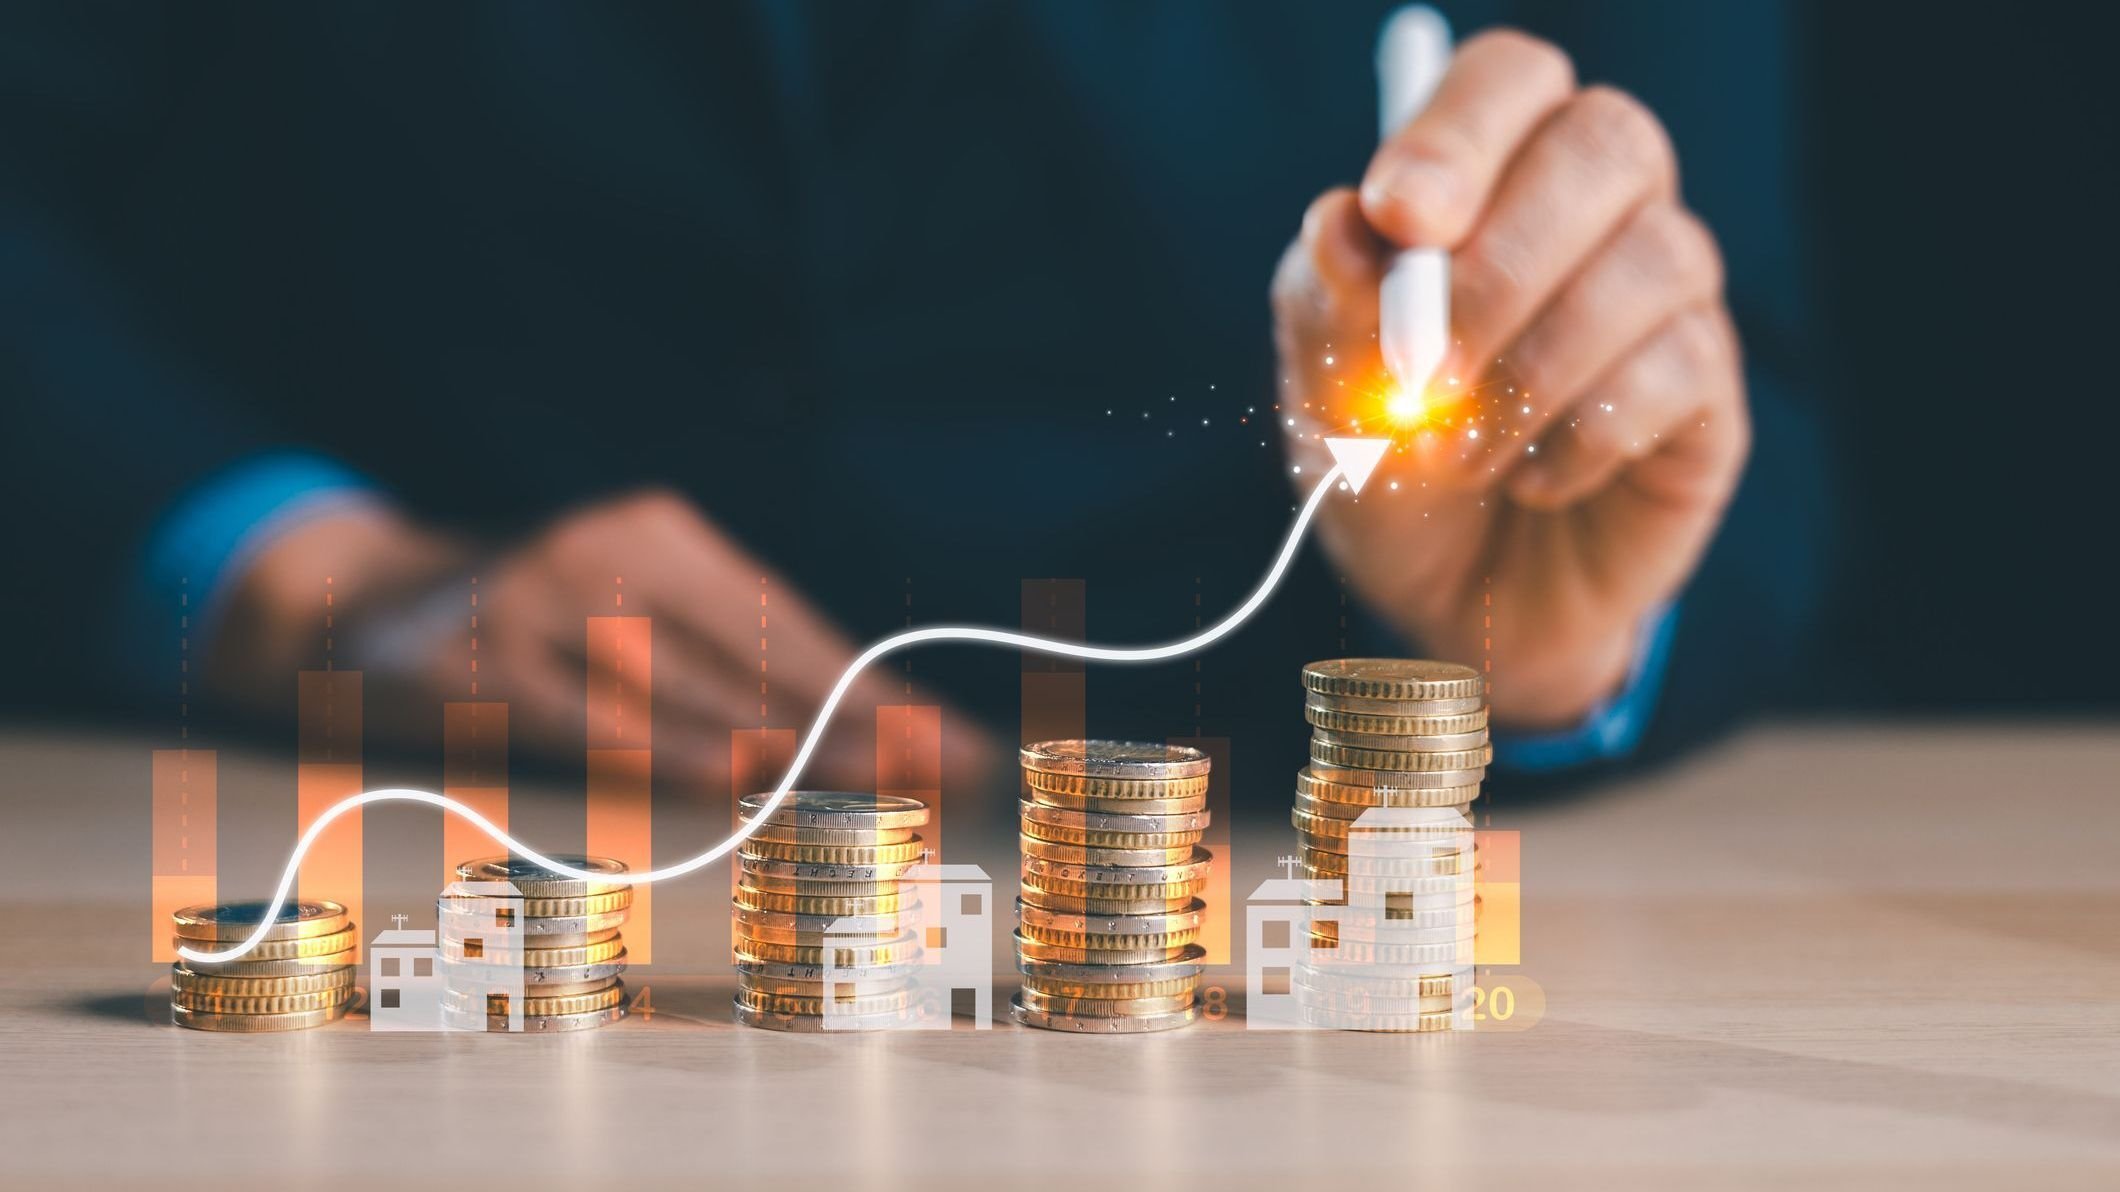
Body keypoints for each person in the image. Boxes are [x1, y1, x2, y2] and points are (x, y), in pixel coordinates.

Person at [2, 3, 1827, 799]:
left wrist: (1555, 640)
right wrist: (299, 573)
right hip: (402, 775)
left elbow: (1786, 380)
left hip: (1251, 836)